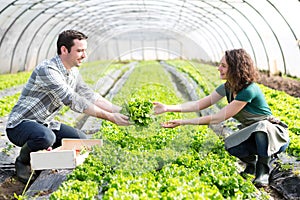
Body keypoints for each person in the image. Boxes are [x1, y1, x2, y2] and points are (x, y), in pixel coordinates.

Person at [6, 30, 130, 183]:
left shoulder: (73, 72)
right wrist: (110, 117)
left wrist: (121, 110)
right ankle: (22, 162)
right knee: (46, 137)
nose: (84, 55)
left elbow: (90, 95)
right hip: (20, 125)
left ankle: (44, 156)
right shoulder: (48, 70)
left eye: (85, 50)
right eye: (79, 51)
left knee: (81, 140)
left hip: (45, 124)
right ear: (64, 50)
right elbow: (71, 99)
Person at [153, 48, 289, 187]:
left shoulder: (249, 90)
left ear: (236, 68)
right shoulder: (228, 87)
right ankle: (251, 165)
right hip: (252, 135)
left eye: (223, 65)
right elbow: (199, 104)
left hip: (274, 137)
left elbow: (218, 118)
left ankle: (263, 171)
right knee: (230, 145)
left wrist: (183, 122)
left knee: (262, 127)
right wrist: (167, 108)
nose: (219, 68)